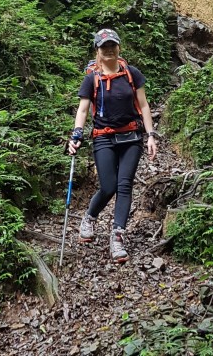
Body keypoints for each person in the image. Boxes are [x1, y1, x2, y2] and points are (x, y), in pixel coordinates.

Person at [68, 28, 158, 263]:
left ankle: (117, 236)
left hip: (131, 137)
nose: (108, 50)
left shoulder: (132, 74)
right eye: (104, 46)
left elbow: (144, 105)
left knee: (124, 185)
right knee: (108, 186)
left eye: (112, 45)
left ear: (118, 48)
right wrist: (76, 134)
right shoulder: (92, 79)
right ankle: (90, 216)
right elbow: (83, 109)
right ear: (97, 50)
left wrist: (150, 135)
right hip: (104, 137)